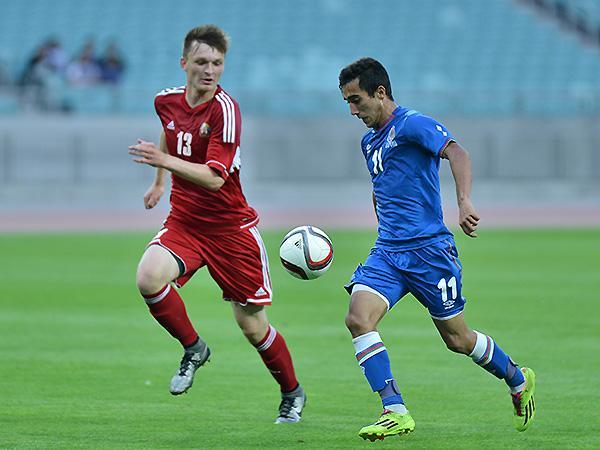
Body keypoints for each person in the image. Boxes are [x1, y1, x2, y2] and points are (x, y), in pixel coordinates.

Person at [338, 58, 536, 441]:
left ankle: (517, 377)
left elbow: (458, 152)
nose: (352, 111)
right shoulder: (369, 142)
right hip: (388, 252)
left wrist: (464, 201)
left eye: (356, 100)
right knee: (358, 319)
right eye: (347, 102)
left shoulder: (412, 124)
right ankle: (394, 410)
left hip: (430, 252)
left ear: (380, 92)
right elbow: (382, 187)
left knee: (457, 339)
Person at [128, 25, 306, 423]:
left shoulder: (225, 110)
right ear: (184, 63)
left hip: (230, 230)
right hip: (185, 222)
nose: (210, 70)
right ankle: (194, 348)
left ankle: (292, 392)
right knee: (148, 278)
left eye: (218, 63)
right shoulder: (165, 100)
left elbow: (214, 179)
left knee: (252, 325)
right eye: (202, 62)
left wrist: (164, 163)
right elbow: (169, 132)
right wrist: (159, 182)